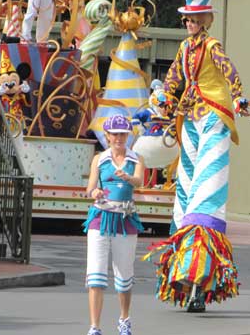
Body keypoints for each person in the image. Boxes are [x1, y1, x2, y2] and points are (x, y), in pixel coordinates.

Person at [143, 0, 249, 313]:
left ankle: (201, 279)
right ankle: (183, 277)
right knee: (185, 199)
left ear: (204, 19)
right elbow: (173, 80)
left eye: (192, 18)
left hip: (214, 116)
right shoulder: (185, 49)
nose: (187, 23)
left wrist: (239, 96)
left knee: (206, 200)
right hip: (189, 121)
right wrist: (161, 102)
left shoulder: (212, 45)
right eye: (186, 18)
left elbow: (229, 69)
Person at [83, 115, 145, 335]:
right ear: (107, 136)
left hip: (125, 220)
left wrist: (127, 177)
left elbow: (140, 181)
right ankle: (94, 327)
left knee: (124, 274)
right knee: (96, 274)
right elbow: (89, 188)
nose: (119, 138)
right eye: (115, 134)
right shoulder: (99, 159)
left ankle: (124, 319)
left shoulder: (136, 158)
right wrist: (95, 192)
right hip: (100, 218)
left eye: (123, 134)